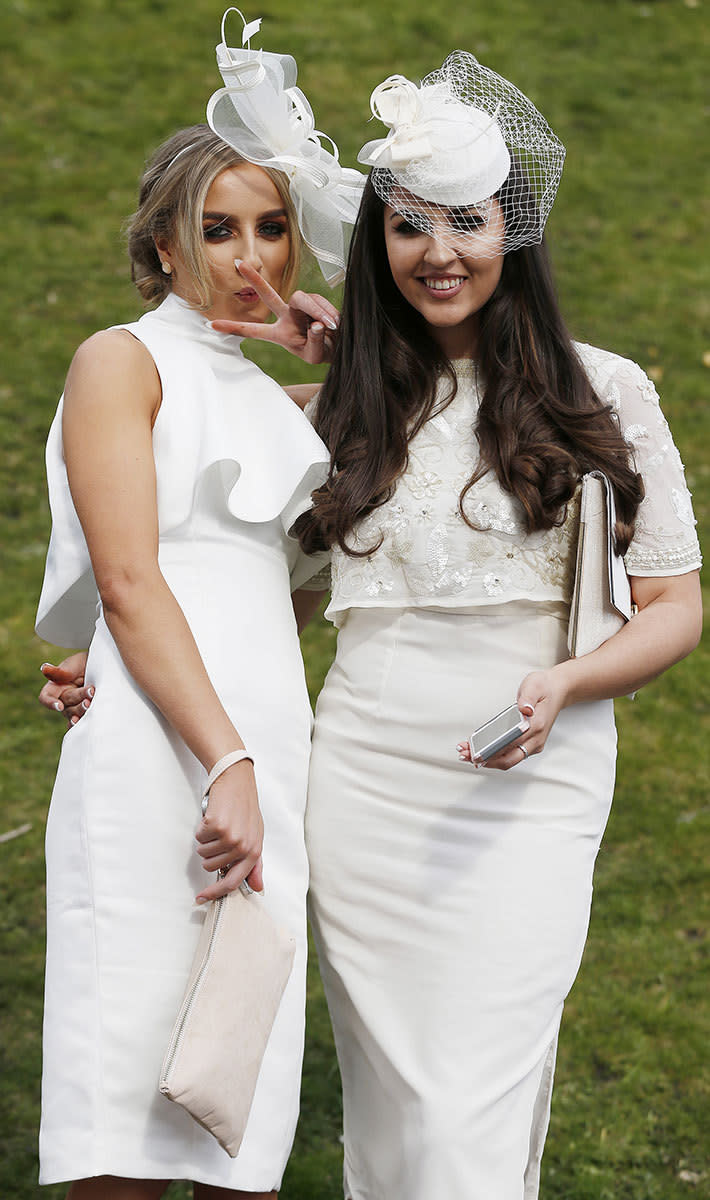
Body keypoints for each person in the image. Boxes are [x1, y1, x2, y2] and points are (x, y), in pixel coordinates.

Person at [41, 41, 703, 1200]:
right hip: (360, 776)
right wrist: (104, 667)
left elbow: (676, 606)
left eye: (468, 224)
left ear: (514, 234)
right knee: (392, 1098)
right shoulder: (345, 414)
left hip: (527, 775)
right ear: (378, 244)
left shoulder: (608, 389)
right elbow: (245, 579)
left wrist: (567, 684)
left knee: (468, 1101)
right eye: (409, 228)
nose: (439, 253)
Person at [34, 15, 362, 1195]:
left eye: (272, 227)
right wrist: (222, 761)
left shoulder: (274, 397)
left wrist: (343, 354)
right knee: (124, 1089)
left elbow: (303, 585)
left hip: (268, 739)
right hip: (168, 748)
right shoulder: (120, 359)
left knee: (238, 1094)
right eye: (215, 229)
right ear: (163, 245)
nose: (250, 255)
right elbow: (127, 582)